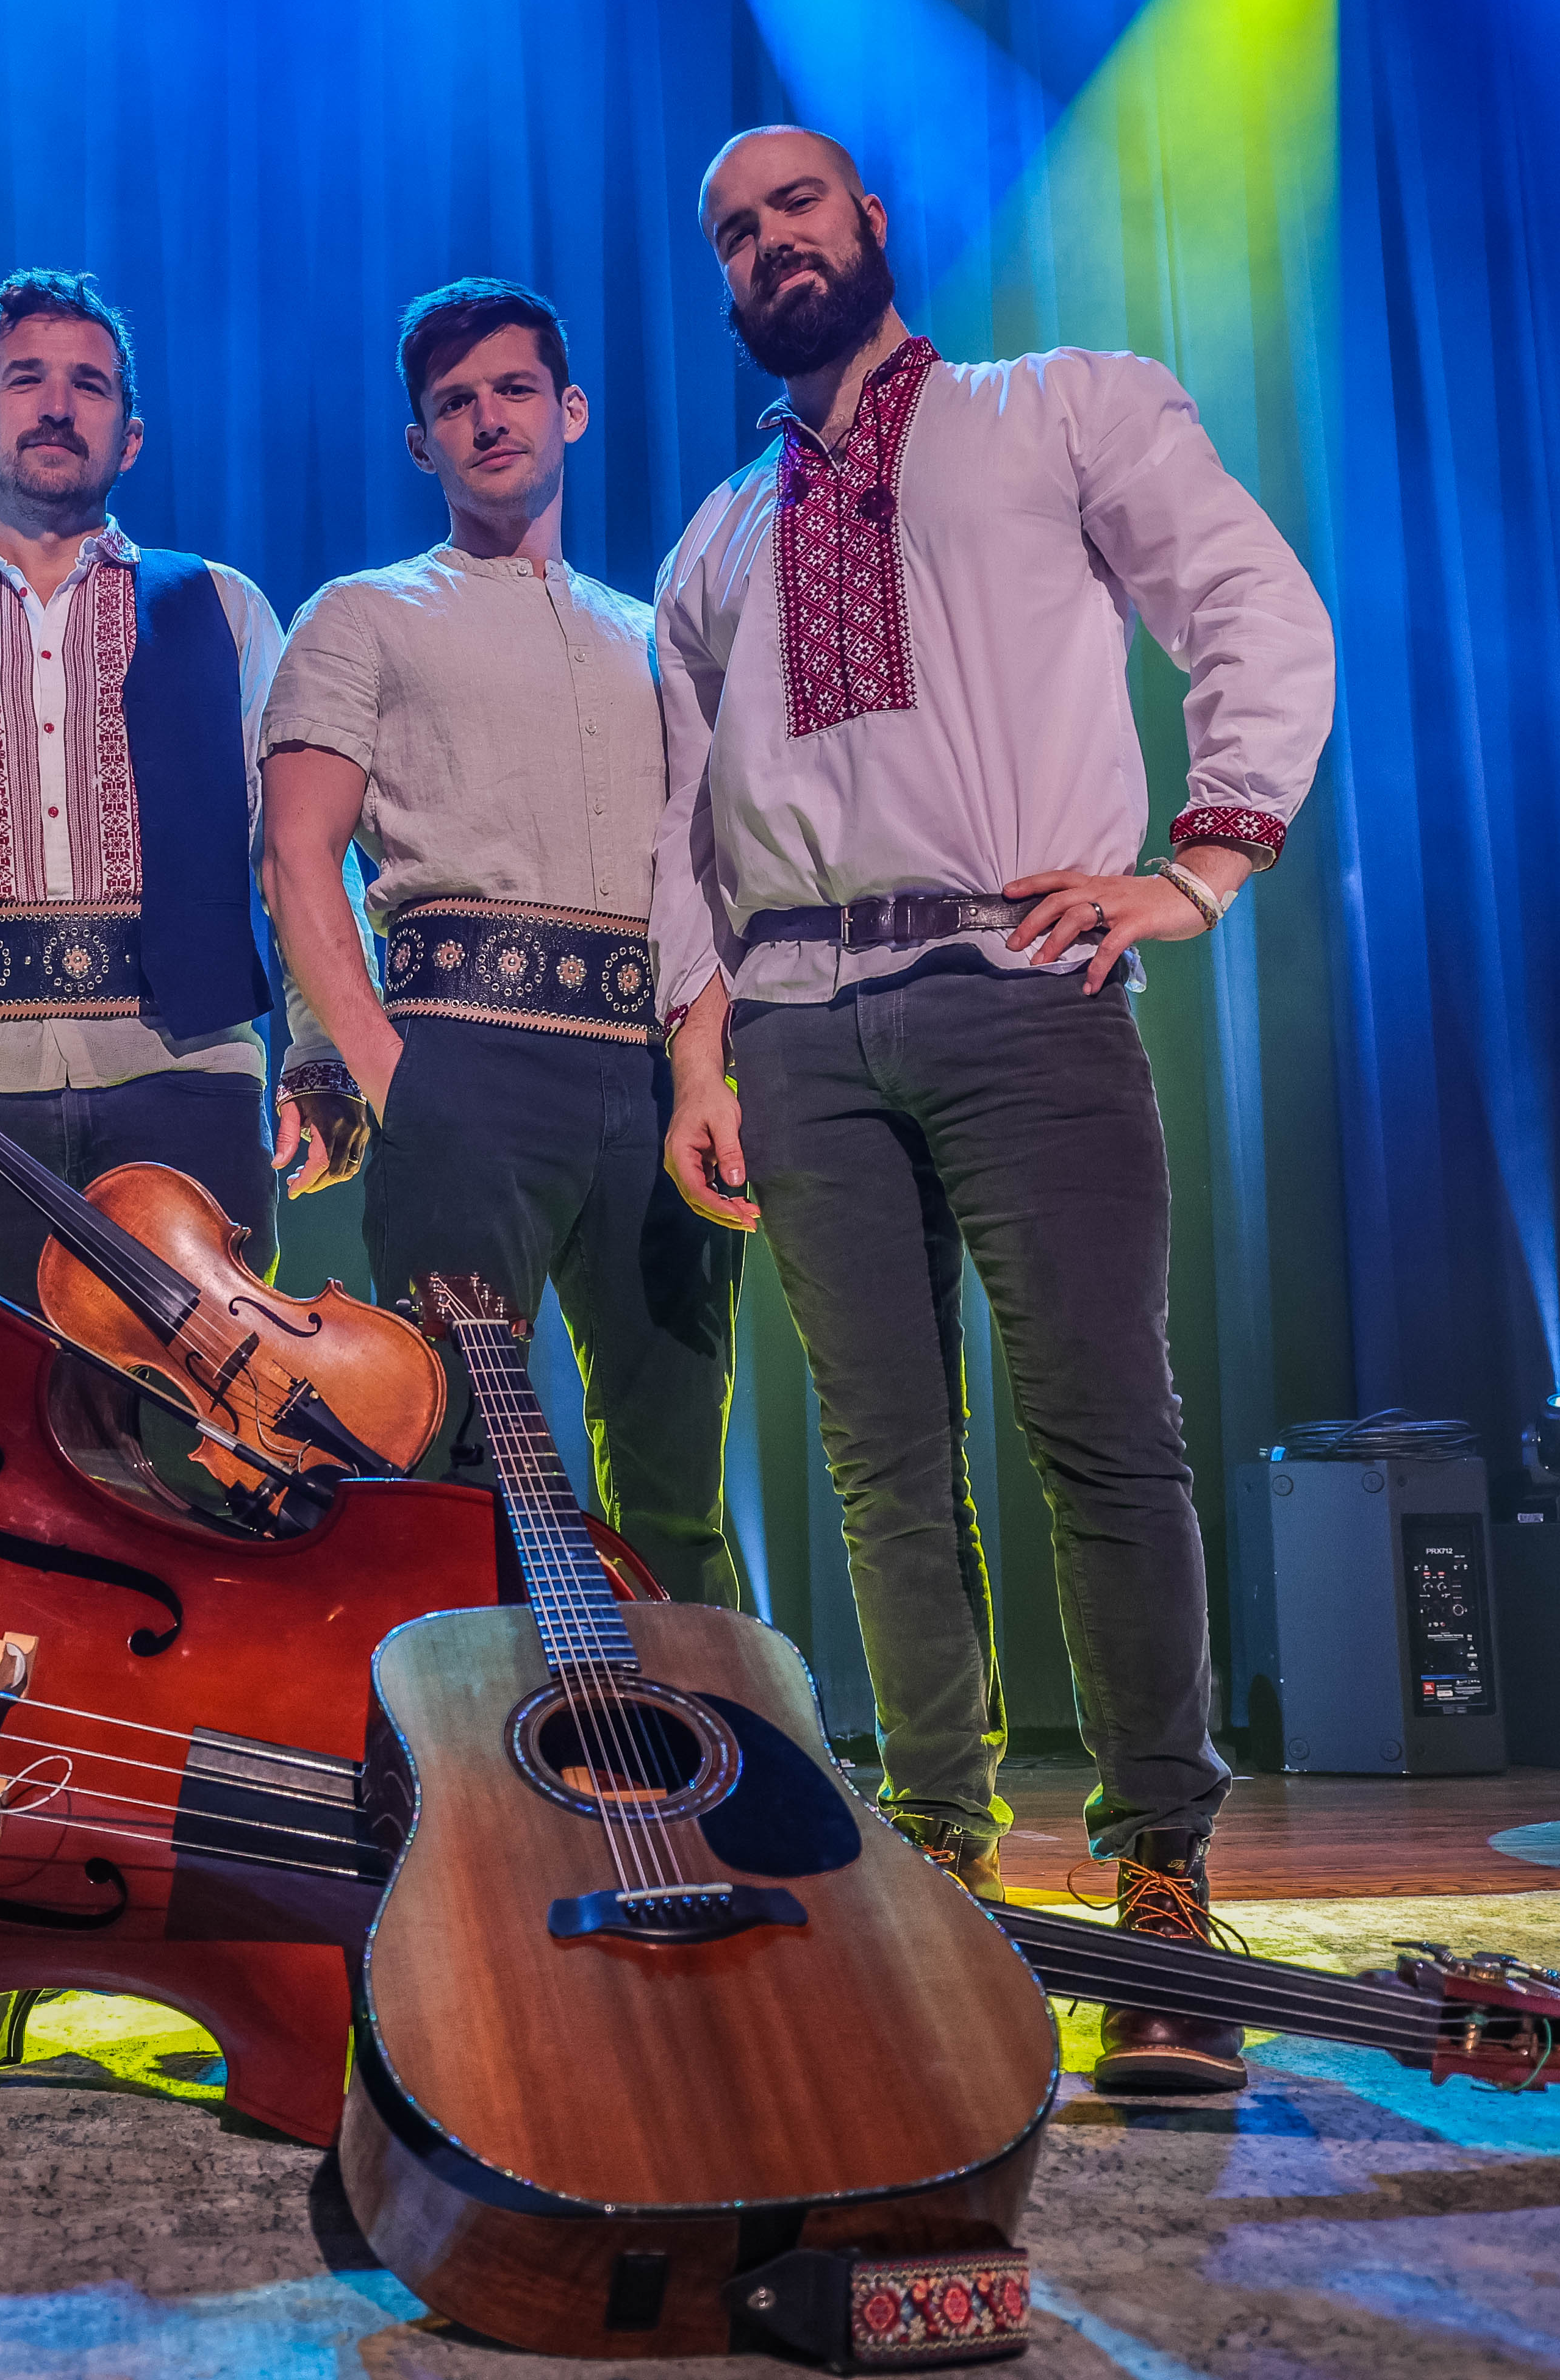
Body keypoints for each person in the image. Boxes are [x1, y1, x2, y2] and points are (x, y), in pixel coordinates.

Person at [651, 127, 1334, 2094]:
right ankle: (933, 1860)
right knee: (882, 1462)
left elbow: (1246, 599)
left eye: (796, 206)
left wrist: (1203, 860)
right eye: (733, 232)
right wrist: (698, 1052)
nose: (770, 243)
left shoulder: (1060, 409)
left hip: (1020, 981)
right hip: (798, 1024)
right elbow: (677, 818)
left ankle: (1160, 1890)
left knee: (1102, 1436)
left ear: (870, 221)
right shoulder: (713, 539)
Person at [262, 280, 742, 1609]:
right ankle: (470, 1738)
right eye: (455, 403)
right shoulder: (363, 613)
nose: (488, 418)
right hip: (462, 1062)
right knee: (457, 1463)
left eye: (514, 389)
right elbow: (296, 853)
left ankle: (687, 1735)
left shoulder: (655, 635)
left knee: (676, 1466)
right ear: (420, 442)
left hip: (645, 1071)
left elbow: (710, 868)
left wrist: (704, 1066)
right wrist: (383, 1071)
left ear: (571, 409)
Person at [0, 271, 331, 1305]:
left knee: (202, 1395)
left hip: (189, 1082)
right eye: (26, 381)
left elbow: (297, 847)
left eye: (88, 385)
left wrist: (320, 1050)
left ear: (129, 439)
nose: (56, 406)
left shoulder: (221, 606)